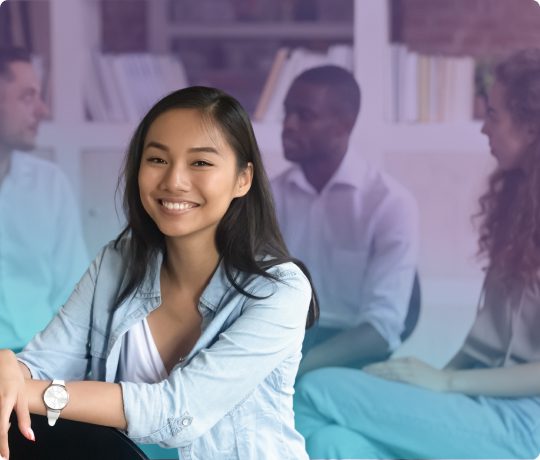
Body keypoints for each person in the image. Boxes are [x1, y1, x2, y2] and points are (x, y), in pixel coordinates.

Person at [0, 86, 318, 460]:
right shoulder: (118, 262)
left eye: (200, 163)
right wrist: (12, 365)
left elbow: (179, 411)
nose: (174, 181)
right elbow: (44, 360)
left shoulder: (280, 290)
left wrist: (37, 391)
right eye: (157, 160)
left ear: (242, 179)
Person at [293, 48, 540, 459]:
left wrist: (445, 385)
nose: (483, 129)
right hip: (476, 405)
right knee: (332, 443)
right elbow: (482, 347)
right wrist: (433, 382)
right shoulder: (518, 214)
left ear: (531, 127)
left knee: (315, 388)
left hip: (522, 423)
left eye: (493, 115)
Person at [271, 65, 419, 374]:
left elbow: (381, 329)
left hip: (352, 351)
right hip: (281, 342)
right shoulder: (269, 196)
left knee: (312, 399)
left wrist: (298, 369)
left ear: (343, 125)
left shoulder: (389, 204)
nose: (288, 125)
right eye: (286, 113)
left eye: (304, 116)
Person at [0, 46, 88, 351]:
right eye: (27, 97)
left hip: (38, 365)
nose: (43, 110)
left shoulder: (50, 185)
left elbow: (73, 297)